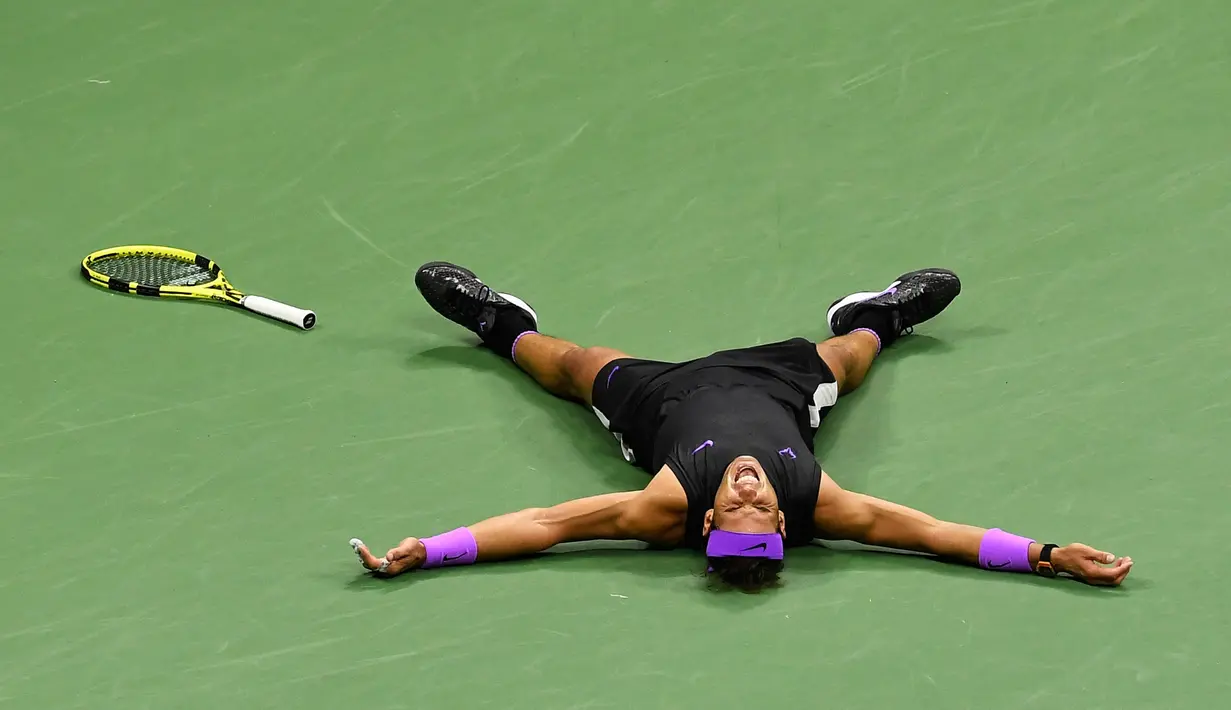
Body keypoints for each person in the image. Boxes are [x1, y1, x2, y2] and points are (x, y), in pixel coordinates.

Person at [349, 262, 1133, 591]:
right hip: (775, 387)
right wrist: (1047, 555)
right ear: (783, 521)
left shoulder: (662, 505)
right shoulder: (816, 500)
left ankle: (497, 324)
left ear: (709, 519)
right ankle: (878, 317)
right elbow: (930, 534)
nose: (750, 493)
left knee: (576, 364)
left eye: (738, 509)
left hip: (661, 403)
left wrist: (435, 550)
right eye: (760, 509)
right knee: (848, 360)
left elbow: (545, 524)